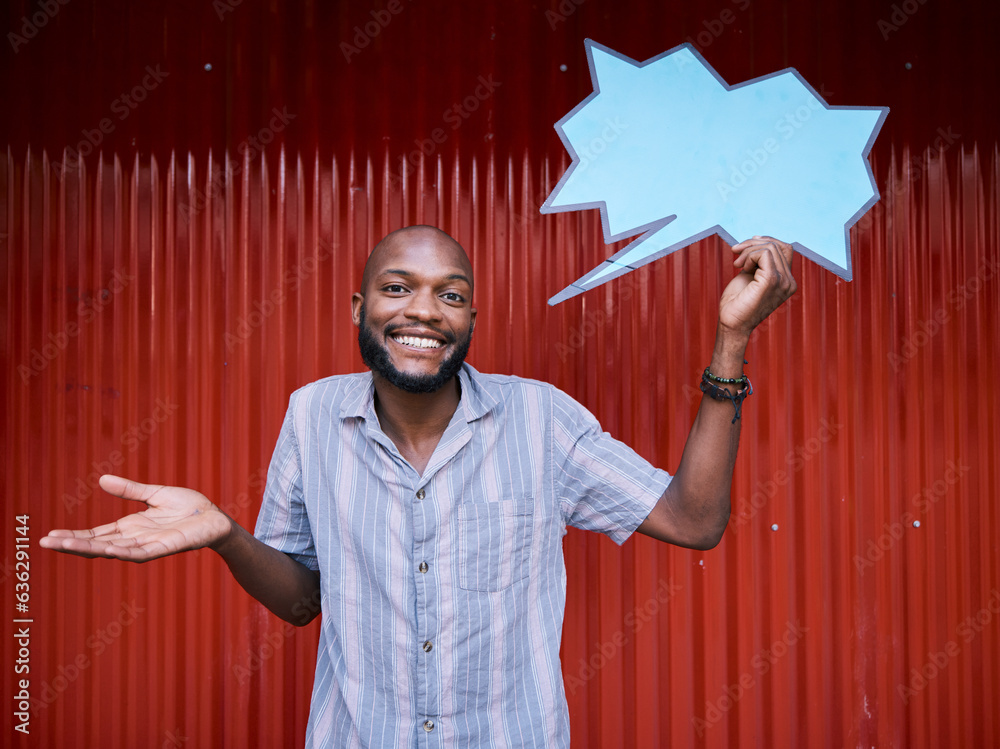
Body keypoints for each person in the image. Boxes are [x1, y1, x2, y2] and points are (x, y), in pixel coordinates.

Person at [41, 225, 797, 747]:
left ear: (470, 317)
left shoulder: (539, 420)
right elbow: (303, 601)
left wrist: (732, 339)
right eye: (397, 287)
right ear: (360, 308)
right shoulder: (311, 416)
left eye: (451, 294)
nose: (424, 311)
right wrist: (225, 534)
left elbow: (694, 520)